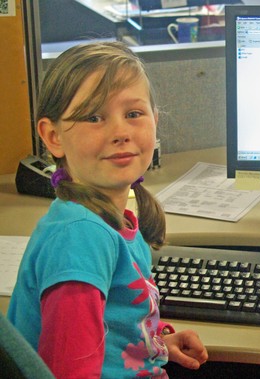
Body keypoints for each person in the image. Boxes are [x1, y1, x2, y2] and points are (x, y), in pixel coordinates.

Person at [8, 42, 209, 378]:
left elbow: (112, 323)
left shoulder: (109, 221)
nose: (120, 132)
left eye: (133, 114)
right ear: (53, 136)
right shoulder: (80, 241)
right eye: (94, 117)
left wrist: (155, 344)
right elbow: (69, 371)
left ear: (154, 122)